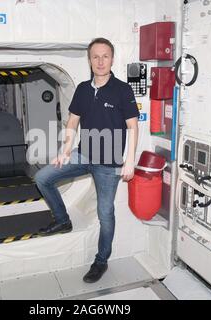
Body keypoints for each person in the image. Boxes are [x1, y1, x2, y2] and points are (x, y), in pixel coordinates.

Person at [34, 37, 139, 283]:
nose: (100, 61)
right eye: (95, 56)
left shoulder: (122, 90)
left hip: (110, 163)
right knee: (42, 178)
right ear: (89, 60)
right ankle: (62, 220)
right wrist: (66, 150)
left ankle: (101, 261)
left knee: (105, 213)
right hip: (83, 154)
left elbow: (133, 127)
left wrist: (129, 160)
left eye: (105, 56)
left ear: (112, 59)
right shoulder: (82, 88)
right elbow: (73, 121)